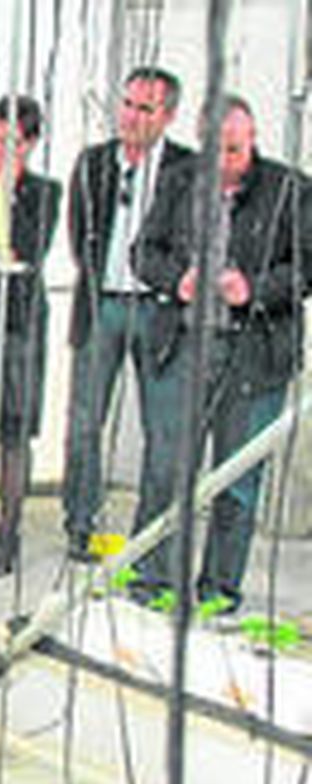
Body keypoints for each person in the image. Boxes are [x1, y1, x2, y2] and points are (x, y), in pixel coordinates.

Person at [133, 95, 312, 614]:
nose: (233, 161)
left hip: (255, 355)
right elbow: (143, 252)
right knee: (166, 470)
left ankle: (219, 589)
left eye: (241, 148)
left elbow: (305, 269)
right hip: (183, 346)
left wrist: (253, 288)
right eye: (222, 151)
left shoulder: (290, 189)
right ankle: (153, 580)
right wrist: (177, 280)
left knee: (237, 477)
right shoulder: (178, 181)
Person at [60, 67, 193, 562]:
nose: (133, 118)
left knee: (163, 433)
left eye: (146, 109)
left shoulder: (188, 170)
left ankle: (150, 539)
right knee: (84, 422)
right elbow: (79, 236)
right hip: (102, 305)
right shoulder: (94, 163)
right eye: (128, 105)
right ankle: (80, 524)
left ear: (168, 116)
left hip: (161, 312)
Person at [0, 96, 62, 577]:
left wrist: (5, 189)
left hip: (20, 321)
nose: (2, 149)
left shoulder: (45, 192)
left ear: (30, 144)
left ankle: (8, 530)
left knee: (13, 429)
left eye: (13, 142)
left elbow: (29, 249)